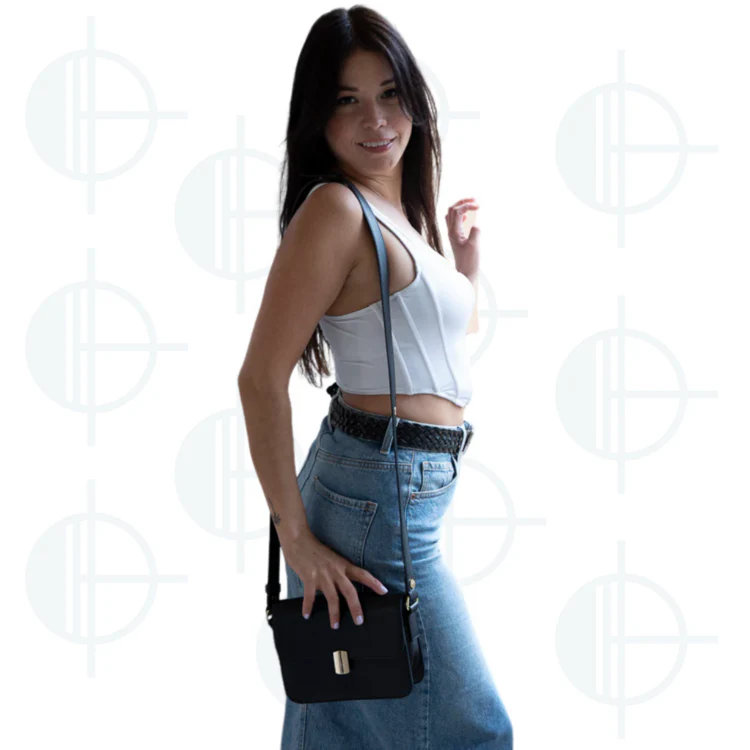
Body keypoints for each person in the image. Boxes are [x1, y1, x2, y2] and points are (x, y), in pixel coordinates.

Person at [237, 5, 513, 748]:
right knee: (476, 733)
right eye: (347, 100)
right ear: (317, 117)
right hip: (374, 495)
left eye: (390, 93)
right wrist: (295, 539)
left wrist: (463, 268)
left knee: (342, 728)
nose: (377, 119)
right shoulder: (336, 208)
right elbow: (259, 379)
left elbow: (436, 353)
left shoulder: (394, 210)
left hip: (394, 485)